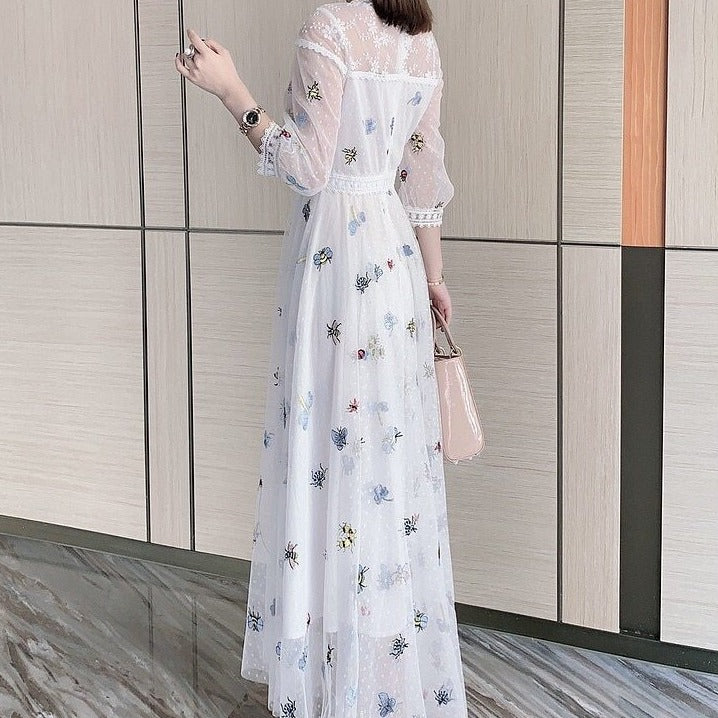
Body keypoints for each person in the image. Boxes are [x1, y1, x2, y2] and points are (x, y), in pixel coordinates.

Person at [174, 1, 467, 715]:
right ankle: (382, 674)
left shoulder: (328, 28)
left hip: (337, 265)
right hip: (395, 267)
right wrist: (433, 276)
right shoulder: (420, 41)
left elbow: (308, 168)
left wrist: (231, 91)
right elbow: (421, 175)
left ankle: (333, 673)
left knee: (326, 455)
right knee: (384, 464)